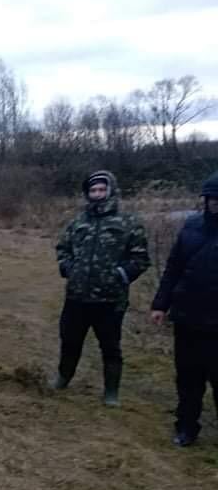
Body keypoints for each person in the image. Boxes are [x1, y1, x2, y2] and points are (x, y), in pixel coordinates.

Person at [52, 170, 150, 406]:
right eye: (93, 190)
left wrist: (120, 275)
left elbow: (140, 259)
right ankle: (63, 377)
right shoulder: (78, 222)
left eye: (101, 189)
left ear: (111, 190)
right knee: (70, 340)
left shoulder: (129, 222)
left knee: (110, 347)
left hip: (110, 300)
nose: (97, 194)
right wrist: (68, 268)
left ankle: (111, 392)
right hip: (77, 297)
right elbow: (62, 248)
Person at [150, 171, 218, 447]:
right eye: (213, 199)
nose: (217, 204)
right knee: (188, 381)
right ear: (205, 200)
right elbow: (173, 269)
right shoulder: (190, 228)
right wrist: (160, 305)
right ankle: (186, 428)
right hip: (187, 321)